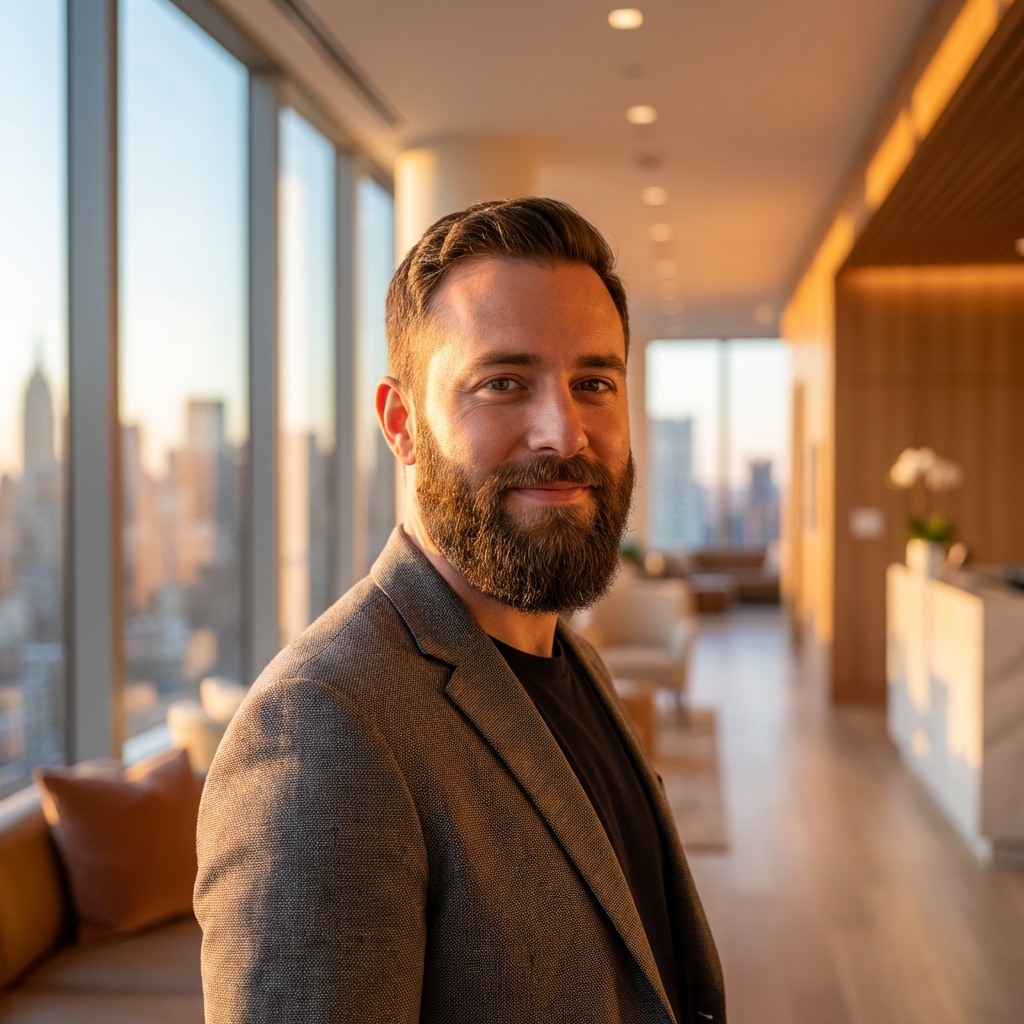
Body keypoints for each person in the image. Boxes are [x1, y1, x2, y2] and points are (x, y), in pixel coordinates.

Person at [194, 197, 724, 1024]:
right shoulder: (318, 735)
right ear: (402, 423)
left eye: (595, 382)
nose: (563, 432)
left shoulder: (572, 658)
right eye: (504, 383)